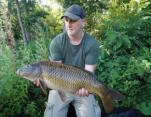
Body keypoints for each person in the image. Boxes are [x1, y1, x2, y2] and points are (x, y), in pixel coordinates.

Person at [35, 4, 101, 117]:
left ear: (83, 22)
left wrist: (85, 88)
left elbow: (89, 74)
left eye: (73, 20)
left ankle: (104, 95)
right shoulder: (56, 43)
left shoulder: (91, 43)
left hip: (81, 87)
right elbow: (55, 75)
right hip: (61, 86)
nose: (69, 24)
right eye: (66, 20)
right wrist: (44, 82)